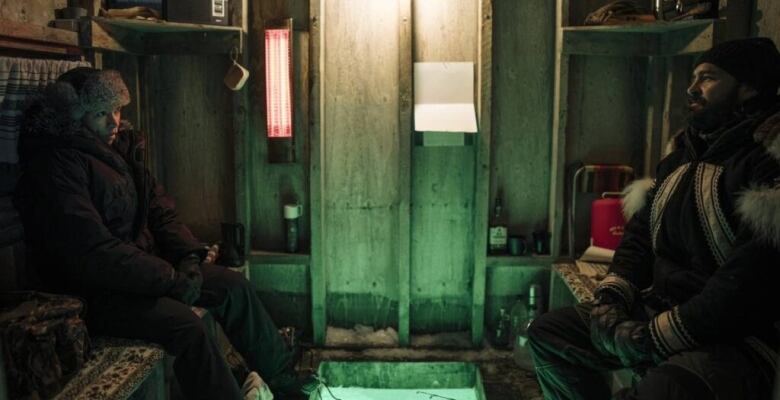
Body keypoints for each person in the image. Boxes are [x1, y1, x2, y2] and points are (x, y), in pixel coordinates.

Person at [13, 67, 316, 400]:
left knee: (233, 288)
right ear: (75, 114)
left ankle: (288, 387)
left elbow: (160, 210)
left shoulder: (121, 149)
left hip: (141, 273)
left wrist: (188, 256)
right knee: (189, 328)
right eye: (101, 113)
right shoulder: (57, 163)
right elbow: (93, 252)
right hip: (95, 292)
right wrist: (169, 280)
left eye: (117, 109)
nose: (114, 121)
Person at [527, 37, 780, 399]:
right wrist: (611, 302)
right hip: (657, 308)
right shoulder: (682, 156)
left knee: (665, 390)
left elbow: (745, 283)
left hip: (731, 336)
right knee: (549, 334)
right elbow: (640, 237)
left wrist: (655, 336)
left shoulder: (766, 161)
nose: (692, 89)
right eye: (693, 78)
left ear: (749, 86)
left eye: (708, 78)